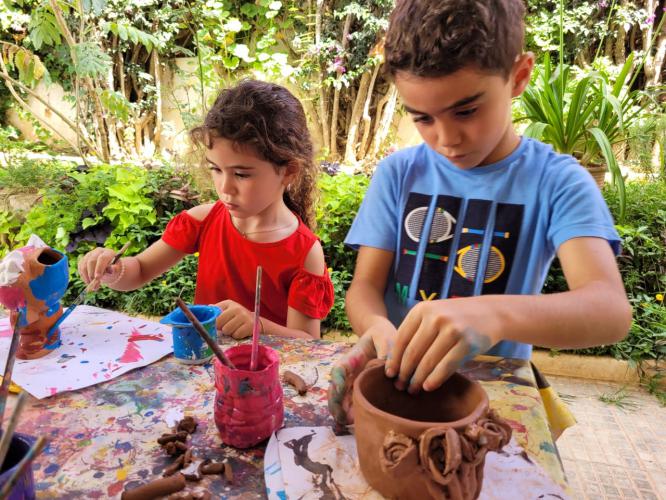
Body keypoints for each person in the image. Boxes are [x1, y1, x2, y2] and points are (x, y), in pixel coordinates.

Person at [328, 0, 632, 425]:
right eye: (422, 118)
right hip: (399, 391)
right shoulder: (398, 173)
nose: (447, 138)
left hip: (491, 405)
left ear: (519, 76)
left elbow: (609, 311)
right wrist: (376, 327)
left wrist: (494, 314)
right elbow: (364, 287)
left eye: (467, 111)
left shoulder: (558, 181)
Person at [78, 79, 334, 340]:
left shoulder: (304, 251)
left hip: (264, 373)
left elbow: (308, 342)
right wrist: (112, 269)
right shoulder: (202, 220)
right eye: (216, 169)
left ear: (288, 171)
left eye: (242, 175)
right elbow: (140, 270)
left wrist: (259, 326)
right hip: (201, 370)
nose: (225, 188)